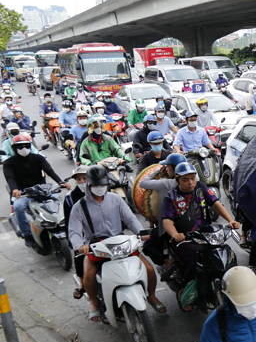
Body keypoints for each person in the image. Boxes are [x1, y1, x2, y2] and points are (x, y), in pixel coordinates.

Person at [68, 165, 163, 320]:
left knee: (149, 269)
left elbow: (130, 219)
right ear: (89, 185)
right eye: (96, 185)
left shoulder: (116, 199)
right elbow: (74, 231)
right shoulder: (79, 207)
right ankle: (94, 304)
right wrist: (80, 246)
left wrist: (141, 232)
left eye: (103, 185)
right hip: (95, 246)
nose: (100, 188)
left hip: (120, 243)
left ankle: (151, 296)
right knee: (89, 275)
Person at [161, 162, 240, 311]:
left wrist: (230, 220)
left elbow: (215, 203)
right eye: (185, 179)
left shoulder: (200, 188)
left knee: (223, 256)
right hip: (185, 239)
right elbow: (167, 221)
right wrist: (176, 234)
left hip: (207, 235)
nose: (190, 182)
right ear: (177, 180)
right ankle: (183, 291)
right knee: (195, 263)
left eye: (192, 178)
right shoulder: (170, 197)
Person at [3, 135, 71, 248]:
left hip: (42, 190)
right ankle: (27, 234)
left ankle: (67, 226)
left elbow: (49, 171)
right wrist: (15, 189)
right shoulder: (9, 163)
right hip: (24, 193)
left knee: (61, 202)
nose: (24, 148)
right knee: (18, 207)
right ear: (14, 148)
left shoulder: (38, 158)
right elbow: (10, 178)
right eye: (20, 146)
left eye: (26, 146)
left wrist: (60, 182)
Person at [64, 165, 88, 299]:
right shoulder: (70, 198)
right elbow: (69, 222)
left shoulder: (103, 193)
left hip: (102, 233)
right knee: (79, 255)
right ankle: (82, 284)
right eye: (78, 179)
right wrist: (72, 241)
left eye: (85, 178)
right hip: (81, 233)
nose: (82, 182)